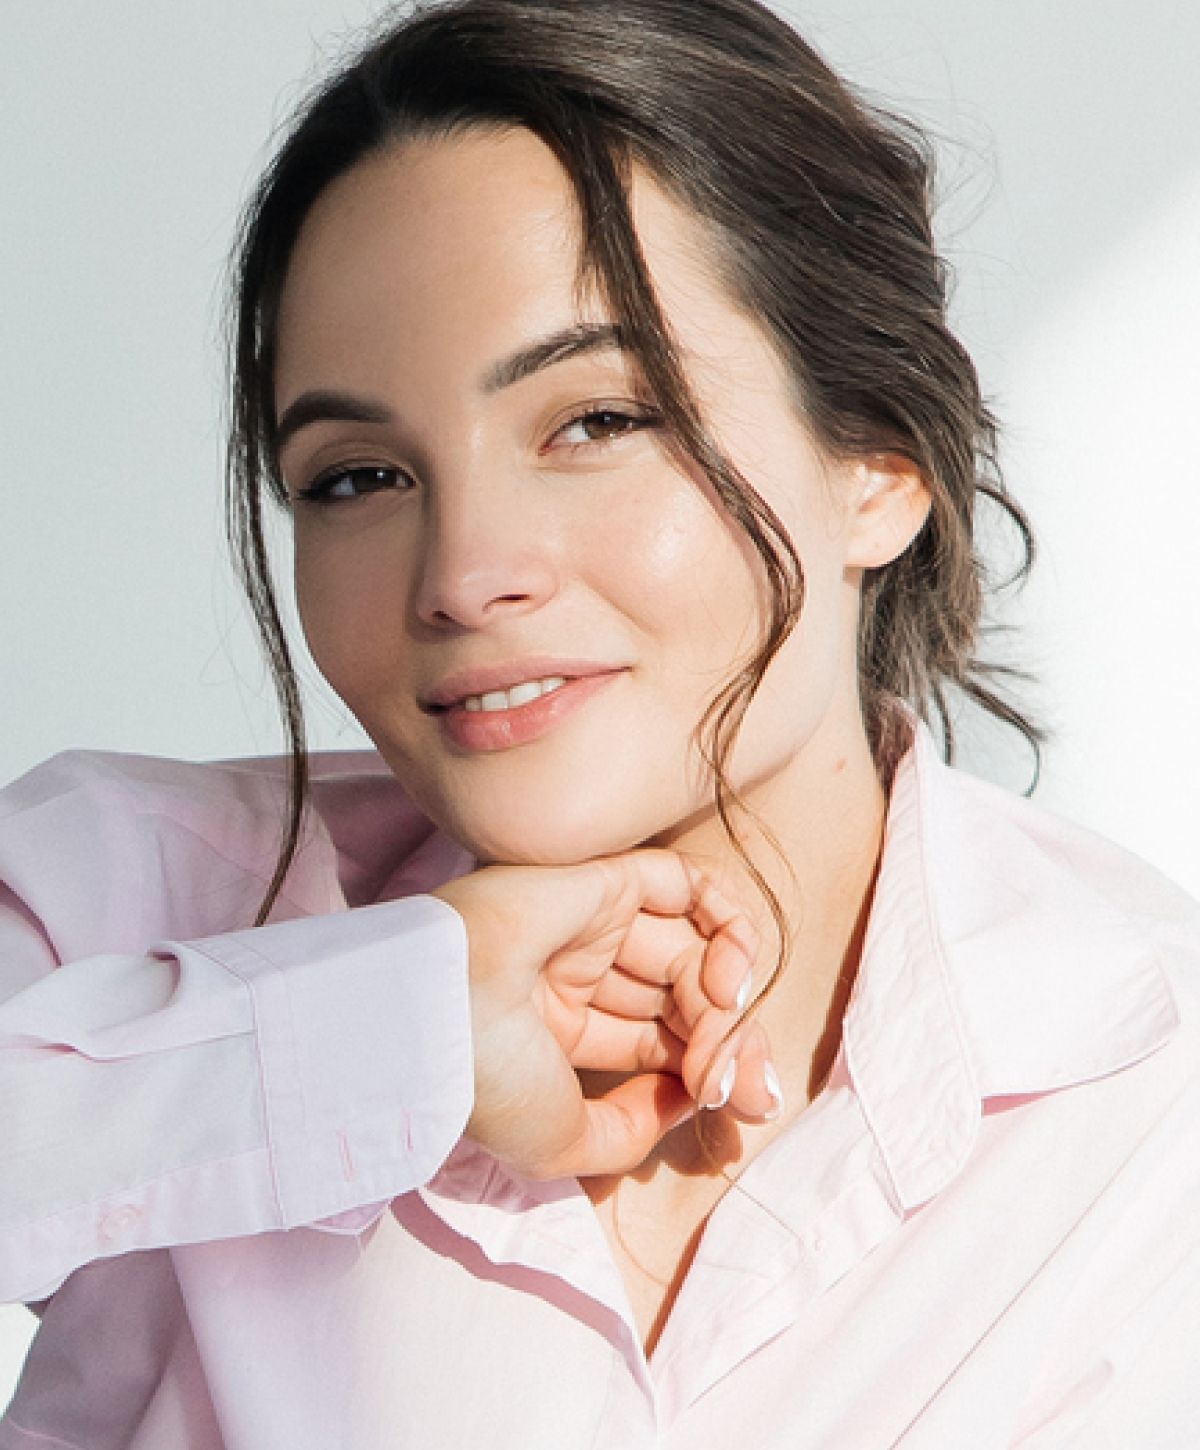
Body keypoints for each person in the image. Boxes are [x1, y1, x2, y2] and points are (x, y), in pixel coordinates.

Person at [1, 0, 1197, 1445]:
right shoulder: (127, 909)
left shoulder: (1148, 1089)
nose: (461, 574)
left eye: (597, 422)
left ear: (878, 460)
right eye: (357, 477)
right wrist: (376, 1032)